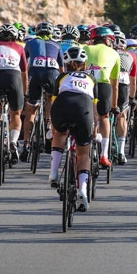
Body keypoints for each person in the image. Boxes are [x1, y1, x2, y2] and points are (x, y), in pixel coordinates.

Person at [48, 46, 96, 212]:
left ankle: (53, 172)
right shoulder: (91, 78)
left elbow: (54, 102)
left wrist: (52, 125)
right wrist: (94, 128)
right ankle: (82, 188)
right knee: (83, 153)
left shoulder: (61, 77)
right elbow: (94, 107)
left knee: (60, 133)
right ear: (84, 65)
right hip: (84, 108)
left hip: (63, 105)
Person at [21, 22, 64, 162]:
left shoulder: (30, 43)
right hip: (52, 74)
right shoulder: (57, 45)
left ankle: (26, 144)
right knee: (50, 99)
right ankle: (48, 124)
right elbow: (62, 70)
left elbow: (24, 65)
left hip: (35, 73)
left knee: (31, 111)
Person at [0, 23, 28, 157]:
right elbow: (24, 73)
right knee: (15, 114)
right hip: (13, 78)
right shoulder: (20, 47)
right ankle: (13, 142)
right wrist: (24, 93)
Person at [84, 26, 121, 167]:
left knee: (85, 115)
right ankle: (104, 155)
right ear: (107, 40)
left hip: (86, 83)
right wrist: (114, 106)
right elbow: (115, 85)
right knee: (104, 116)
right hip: (104, 84)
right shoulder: (114, 53)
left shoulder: (86, 49)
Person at [113, 30, 137, 164]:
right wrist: (133, 98)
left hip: (108, 84)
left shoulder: (108, 53)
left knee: (102, 116)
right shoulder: (131, 56)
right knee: (122, 115)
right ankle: (121, 152)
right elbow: (133, 81)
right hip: (124, 83)